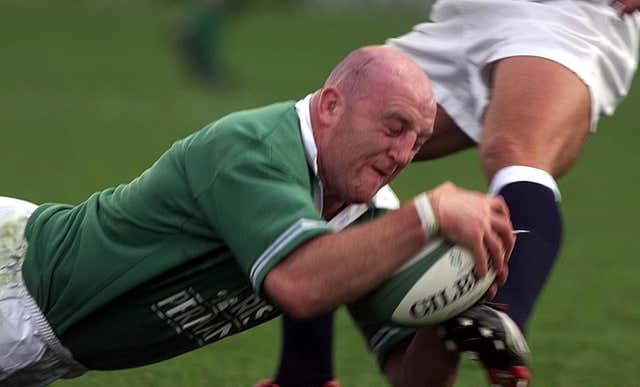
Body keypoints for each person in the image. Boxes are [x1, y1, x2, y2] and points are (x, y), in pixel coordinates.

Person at [0, 45, 515, 387]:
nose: (404, 154)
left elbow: (409, 376)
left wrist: (448, 316)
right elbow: (299, 284)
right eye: (393, 126)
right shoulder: (252, 149)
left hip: (51, 344)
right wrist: (428, 214)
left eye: (417, 140)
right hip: (12, 279)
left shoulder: (368, 216)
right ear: (332, 105)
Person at [263, 1, 640, 386]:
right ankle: (304, 375)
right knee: (325, 141)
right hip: (469, 13)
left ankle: (497, 315)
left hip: (561, 14)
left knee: (513, 149)